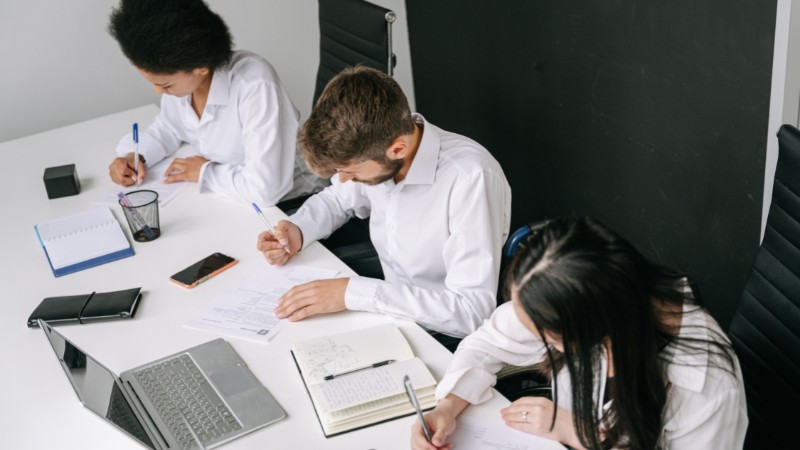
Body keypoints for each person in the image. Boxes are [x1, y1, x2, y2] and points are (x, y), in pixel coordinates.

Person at [411, 216, 748, 449]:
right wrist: (447, 408)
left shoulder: (705, 388)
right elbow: (489, 343)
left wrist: (575, 430)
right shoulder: (570, 292)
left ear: (597, 332)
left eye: (551, 338)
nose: (537, 339)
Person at [257, 66, 512, 349]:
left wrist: (351, 293)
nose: (341, 179)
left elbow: (471, 312)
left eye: (349, 170)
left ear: (398, 150)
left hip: (445, 336)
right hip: (389, 309)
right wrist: (298, 229)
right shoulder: (378, 150)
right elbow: (338, 199)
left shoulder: (470, 178)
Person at [106, 0, 325, 206]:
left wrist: (204, 172)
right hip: (233, 199)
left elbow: (265, 190)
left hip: (294, 203)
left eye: (166, 85)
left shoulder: (254, 84)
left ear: (201, 65)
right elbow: (169, 127)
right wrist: (135, 156)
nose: (158, 91)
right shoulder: (185, 86)